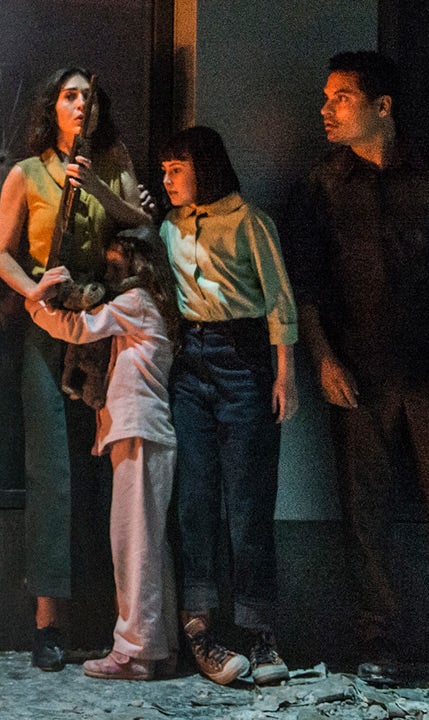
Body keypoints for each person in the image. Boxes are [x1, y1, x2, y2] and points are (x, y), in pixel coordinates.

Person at [283, 51, 429, 689]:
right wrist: (323, 358)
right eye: (326, 97)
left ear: (382, 106)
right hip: (359, 374)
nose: (326, 109)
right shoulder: (322, 185)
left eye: (341, 98)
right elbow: (305, 287)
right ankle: (377, 644)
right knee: (367, 514)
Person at [0, 66, 151, 670]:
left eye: (88, 96)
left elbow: (140, 224)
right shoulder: (26, 173)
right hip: (47, 325)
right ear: (52, 106)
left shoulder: (112, 162)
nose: (81, 104)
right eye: (70, 96)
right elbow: (2, 254)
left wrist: (101, 190)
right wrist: (32, 290)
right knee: (54, 471)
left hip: (106, 325)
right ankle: (48, 623)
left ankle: (120, 619)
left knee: (118, 468)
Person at [158, 126, 298, 686]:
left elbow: (279, 300)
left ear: (205, 168)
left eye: (177, 169)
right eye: (164, 170)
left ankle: (261, 635)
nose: (168, 179)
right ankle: (199, 630)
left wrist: (285, 375)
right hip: (189, 361)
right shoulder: (169, 226)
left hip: (244, 359)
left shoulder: (249, 221)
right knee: (195, 499)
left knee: (248, 501)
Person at [25, 230, 180, 680]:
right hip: (142, 432)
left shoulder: (136, 302)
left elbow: (79, 326)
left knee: (132, 545)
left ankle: (134, 653)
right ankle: (160, 645)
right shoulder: (150, 305)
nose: (109, 275)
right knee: (148, 543)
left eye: (116, 265)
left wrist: (35, 305)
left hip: (139, 431)